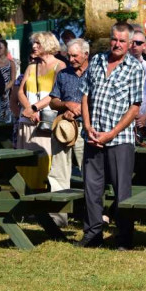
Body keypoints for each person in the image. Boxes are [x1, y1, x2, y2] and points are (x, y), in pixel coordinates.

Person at [80, 22, 145, 250]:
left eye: (122, 41)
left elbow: (135, 107)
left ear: (129, 44)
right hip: (92, 136)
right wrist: (87, 125)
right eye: (114, 39)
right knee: (91, 189)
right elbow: (85, 95)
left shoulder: (135, 68)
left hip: (119, 140)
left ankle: (124, 239)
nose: (117, 44)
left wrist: (112, 133)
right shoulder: (96, 61)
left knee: (122, 192)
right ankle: (92, 235)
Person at [14, 32, 65, 192]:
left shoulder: (60, 66)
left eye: (38, 43)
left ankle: (44, 198)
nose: (34, 46)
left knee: (45, 161)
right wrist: (29, 109)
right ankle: (26, 197)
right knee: (25, 162)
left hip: (46, 122)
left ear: (48, 44)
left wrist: (35, 108)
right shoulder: (31, 66)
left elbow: (55, 94)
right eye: (33, 43)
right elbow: (20, 91)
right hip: (28, 121)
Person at [48, 37, 90, 199]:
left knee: (89, 172)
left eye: (75, 56)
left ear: (86, 54)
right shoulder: (63, 74)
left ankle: (93, 213)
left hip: (86, 129)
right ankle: (58, 215)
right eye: (69, 56)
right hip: (63, 129)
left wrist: (80, 109)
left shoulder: (96, 73)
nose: (71, 59)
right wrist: (67, 104)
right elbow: (53, 101)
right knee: (58, 173)